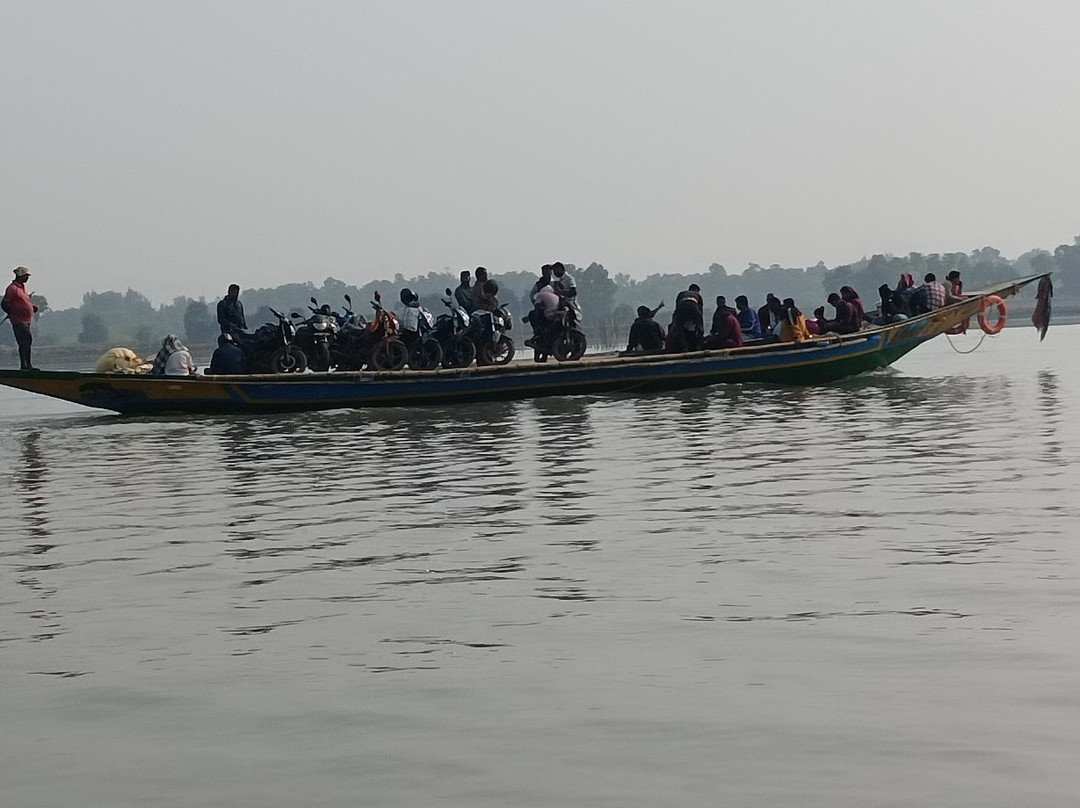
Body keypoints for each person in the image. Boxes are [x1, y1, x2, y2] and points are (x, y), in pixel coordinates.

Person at [3, 267, 38, 370]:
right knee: (24, 340)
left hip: (26, 320)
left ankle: (28, 365)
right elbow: (4, 303)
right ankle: (25, 365)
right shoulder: (12, 288)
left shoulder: (22, 288)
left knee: (28, 341)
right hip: (18, 320)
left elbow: (24, 302)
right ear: (20, 276)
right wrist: (11, 312)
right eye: (26, 276)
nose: (27, 278)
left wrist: (32, 307)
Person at [526, 282, 561, 361]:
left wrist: (536, 322)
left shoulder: (540, 295)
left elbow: (537, 308)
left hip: (548, 317)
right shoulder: (555, 296)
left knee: (532, 314)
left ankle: (536, 330)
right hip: (556, 317)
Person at [668, 286, 704, 352]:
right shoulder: (697, 295)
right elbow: (700, 312)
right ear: (696, 290)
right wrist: (699, 323)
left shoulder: (681, 294)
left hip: (682, 308)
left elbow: (677, 309)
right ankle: (699, 346)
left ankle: (684, 347)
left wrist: (674, 323)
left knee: (679, 328)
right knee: (700, 328)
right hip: (694, 308)